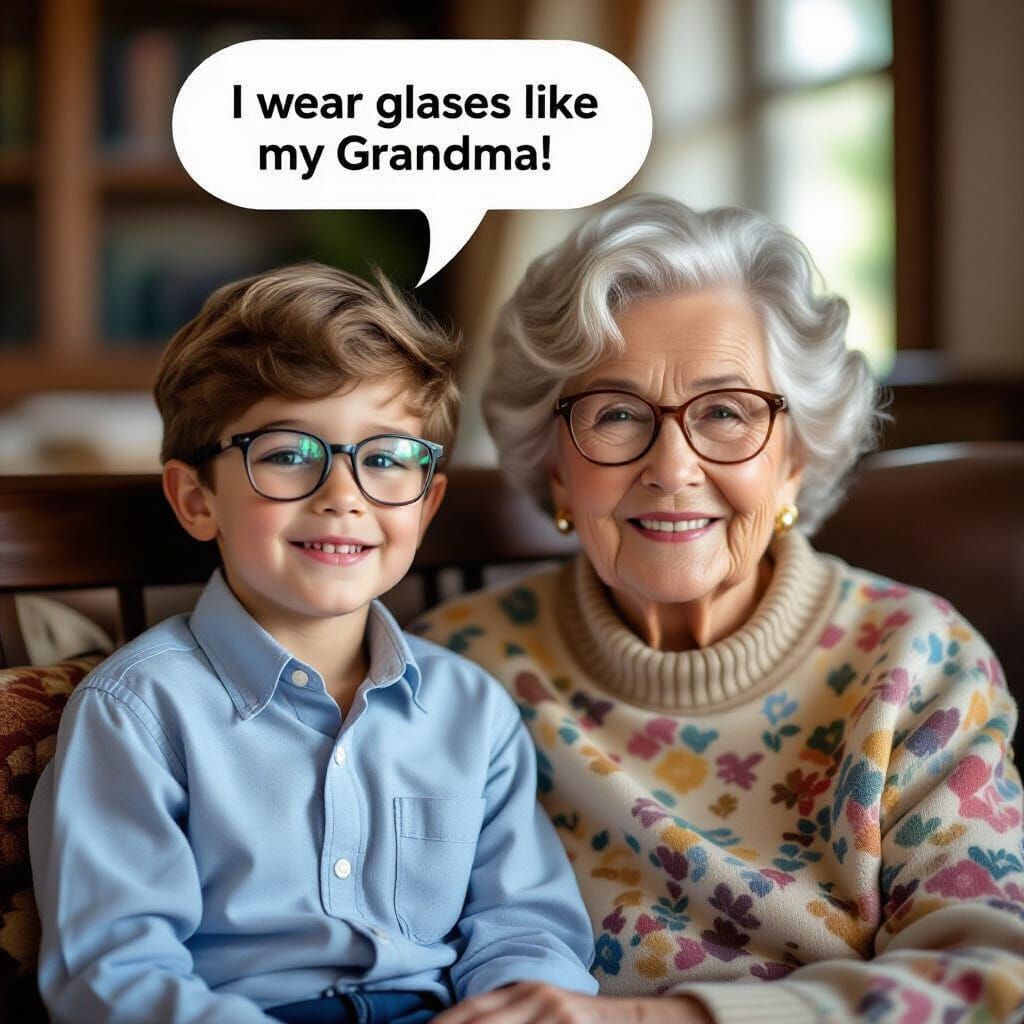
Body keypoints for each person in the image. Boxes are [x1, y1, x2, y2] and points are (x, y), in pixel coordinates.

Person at [416, 196, 1024, 1024]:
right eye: (617, 413)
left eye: (726, 412)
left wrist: (651, 1021)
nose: (672, 468)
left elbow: (993, 978)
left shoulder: (918, 663)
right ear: (556, 466)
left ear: (794, 458)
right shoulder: (452, 672)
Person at [28, 264, 597, 1024]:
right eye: (288, 453)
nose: (343, 495)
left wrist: (518, 1007)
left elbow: (524, 926)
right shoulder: (138, 711)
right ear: (196, 499)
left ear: (426, 505)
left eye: (386, 458)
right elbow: (115, 972)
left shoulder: (472, 710)